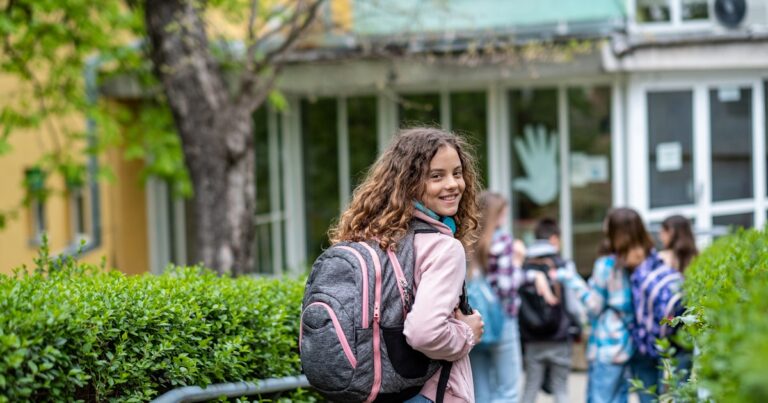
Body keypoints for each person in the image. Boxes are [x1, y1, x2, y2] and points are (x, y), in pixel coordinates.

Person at [329, 127, 484, 403]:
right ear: (410, 183)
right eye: (436, 176)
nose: (453, 184)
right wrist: (467, 333)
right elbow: (424, 333)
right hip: (427, 392)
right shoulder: (443, 248)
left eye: (457, 173)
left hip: (375, 389)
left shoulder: (372, 236)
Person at [555, 207, 654, 403]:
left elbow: (594, 307)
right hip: (639, 343)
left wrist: (570, 278)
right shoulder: (649, 260)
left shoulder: (607, 266)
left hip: (608, 345)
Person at [469, 191, 554, 403]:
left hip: (473, 320)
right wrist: (520, 264)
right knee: (507, 390)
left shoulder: (467, 241)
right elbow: (505, 287)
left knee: (480, 391)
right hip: (502, 320)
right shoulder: (503, 240)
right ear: (496, 214)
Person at [520, 218, 584, 403]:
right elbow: (572, 304)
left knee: (530, 388)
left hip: (532, 338)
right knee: (561, 389)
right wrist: (578, 324)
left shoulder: (523, 267)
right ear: (555, 238)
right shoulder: (563, 264)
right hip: (559, 337)